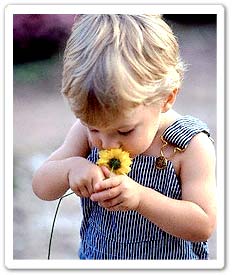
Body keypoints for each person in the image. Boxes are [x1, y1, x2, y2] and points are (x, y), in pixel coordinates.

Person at [32, 14, 217, 260]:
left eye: (125, 131)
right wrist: (70, 168)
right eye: (94, 128)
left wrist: (141, 198)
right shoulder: (84, 133)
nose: (106, 144)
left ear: (166, 99)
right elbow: (41, 187)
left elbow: (202, 226)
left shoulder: (189, 146)